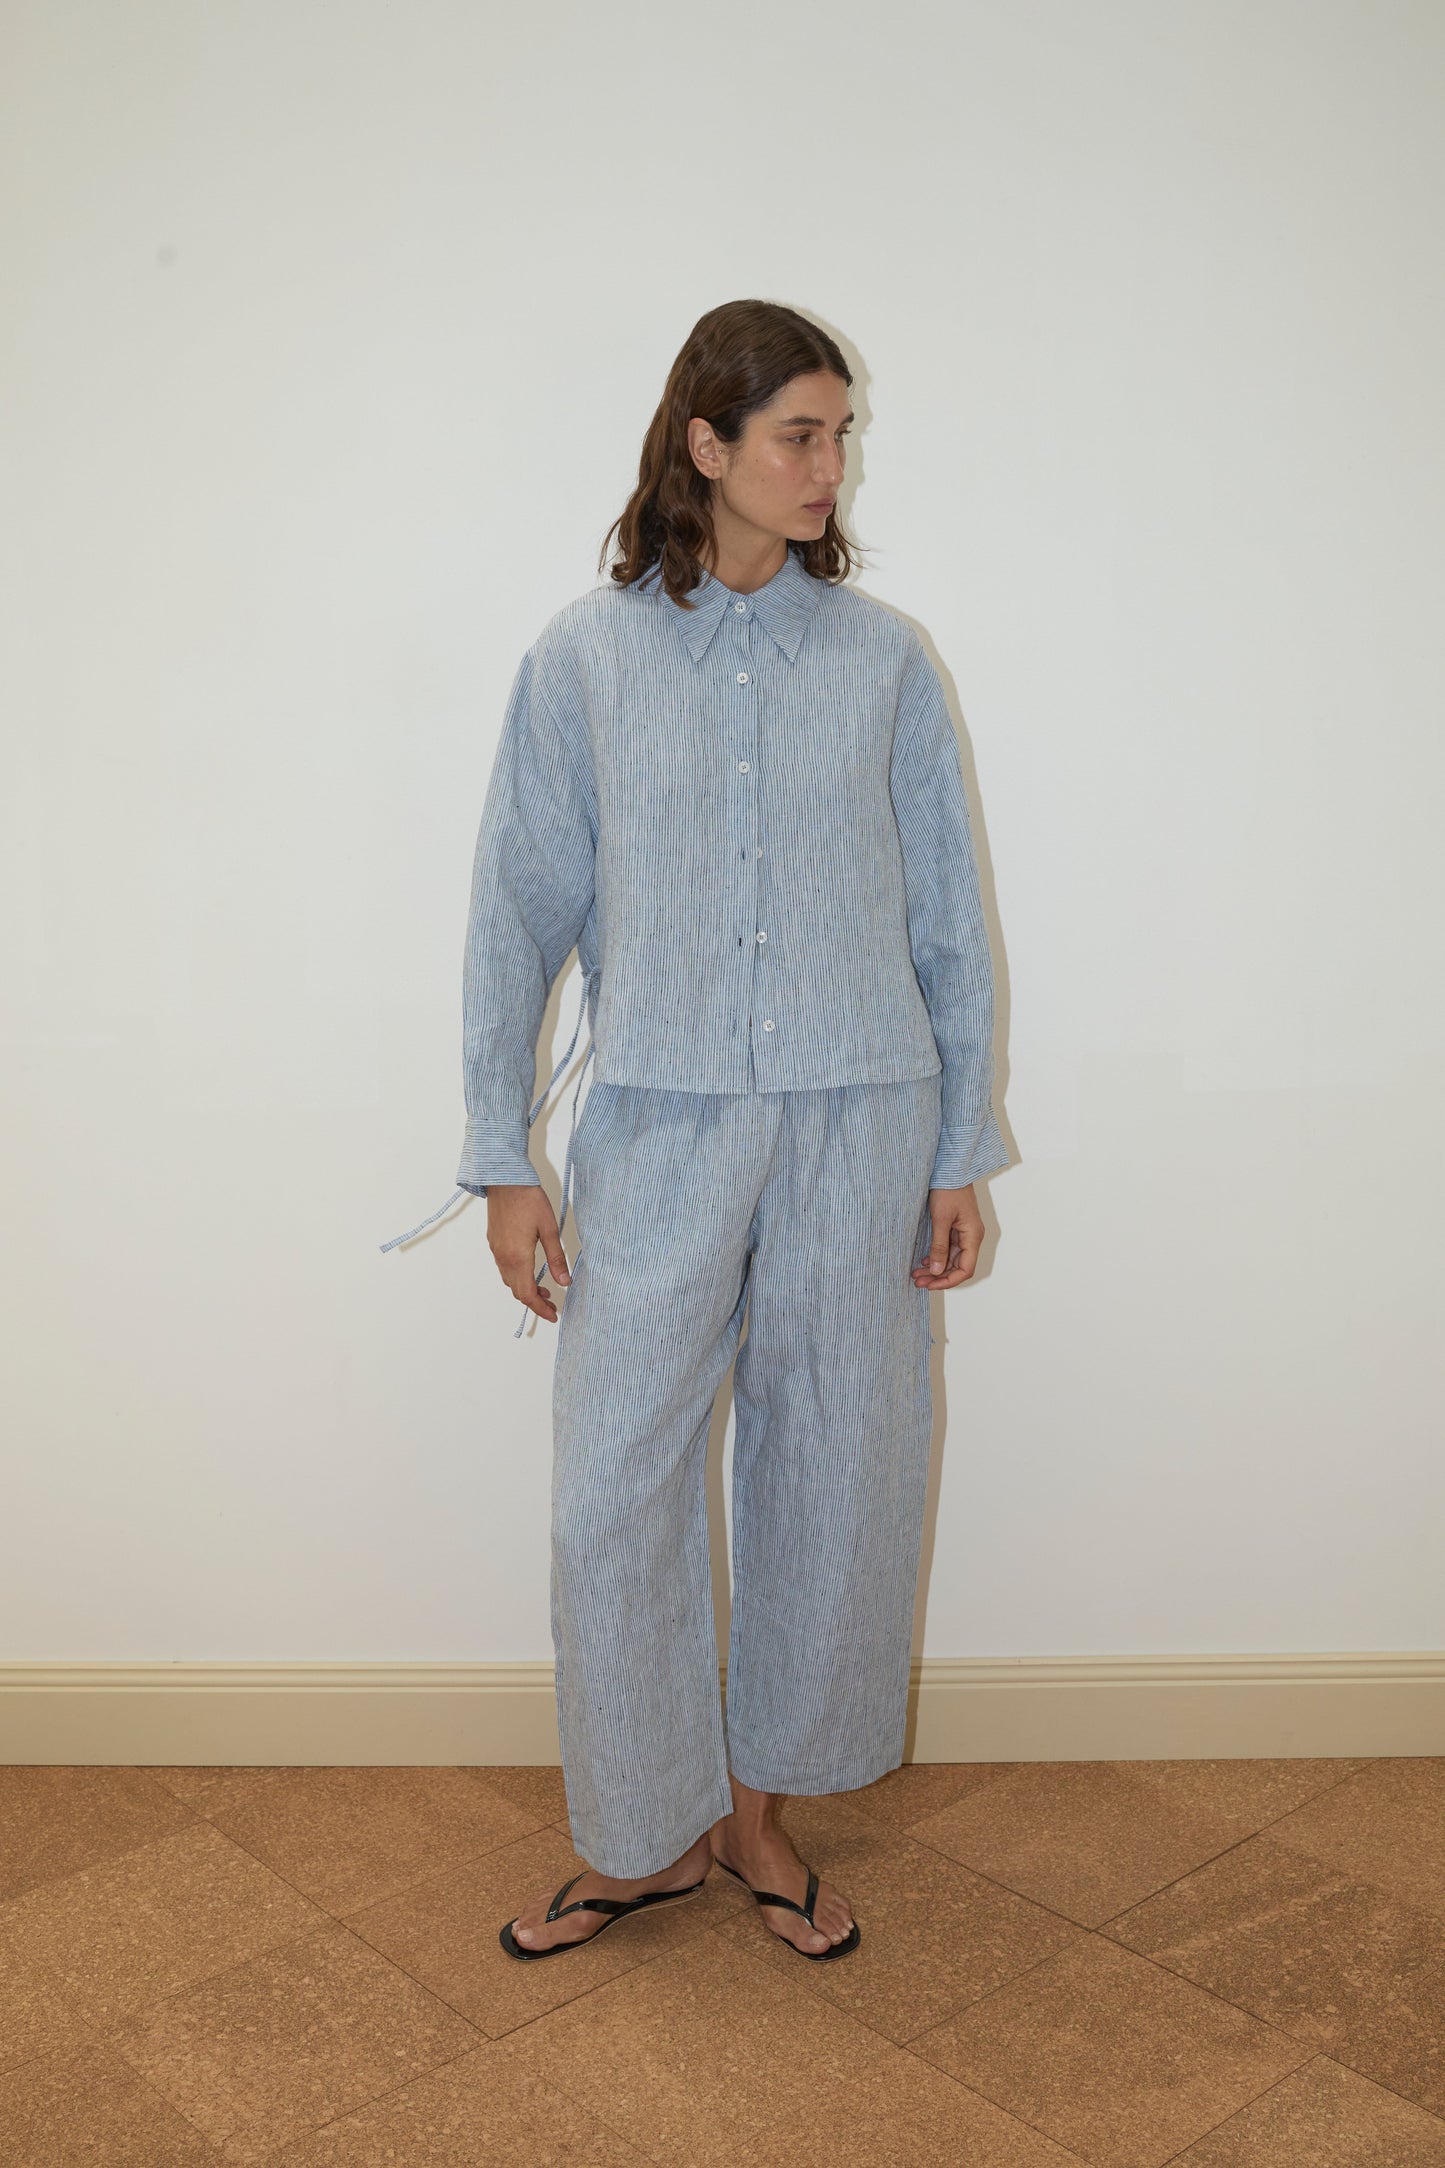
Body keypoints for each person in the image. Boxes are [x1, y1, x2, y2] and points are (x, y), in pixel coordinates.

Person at [381, 298, 1008, 1961]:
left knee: (836, 1470)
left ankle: (758, 1825)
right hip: (655, 1123)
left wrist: (959, 1145)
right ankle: (641, 1835)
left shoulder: (880, 662)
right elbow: (513, 913)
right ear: (704, 447)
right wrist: (498, 1153)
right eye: (799, 433)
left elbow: (947, 919)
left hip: (860, 1122)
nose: (828, 464)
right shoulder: (581, 662)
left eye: (839, 434)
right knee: (614, 1487)